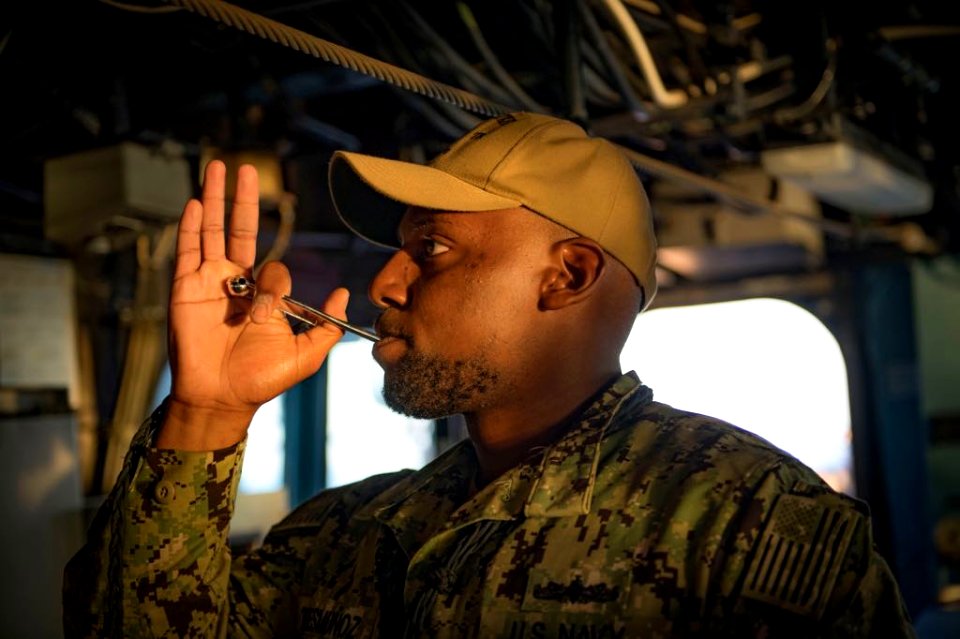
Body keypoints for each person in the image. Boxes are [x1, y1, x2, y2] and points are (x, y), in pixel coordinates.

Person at [63, 112, 915, 638]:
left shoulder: (750, 531)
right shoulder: (356, 531)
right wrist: (204, 413)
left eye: (429, 249)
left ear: (569, 275)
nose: (387, 282)